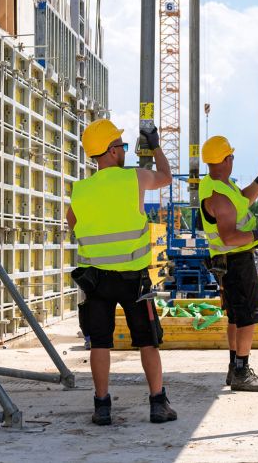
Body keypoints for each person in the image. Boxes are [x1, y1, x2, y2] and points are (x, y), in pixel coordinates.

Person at [67, 117, 176, 426]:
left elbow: (73, 223)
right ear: (113, 151)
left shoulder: (81, 190)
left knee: (100, 342)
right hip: (134, 280)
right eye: (123, 146)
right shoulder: (135, 179)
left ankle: (102, 407)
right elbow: (166, 176)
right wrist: (154, 144)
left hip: (96, 280)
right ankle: (158, 404)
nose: (124, 151)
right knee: (147, 341)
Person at [198, 135, 258, 391]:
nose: (233, 159)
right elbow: (230, 236)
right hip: (236, 259)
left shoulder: (218, 184)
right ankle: (242, 372)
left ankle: (235, 367)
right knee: (248, 317)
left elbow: (243, 200)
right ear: (225, 159)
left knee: (235, 315)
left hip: (228, 260)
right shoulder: (218, 197)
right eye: (231, 155)